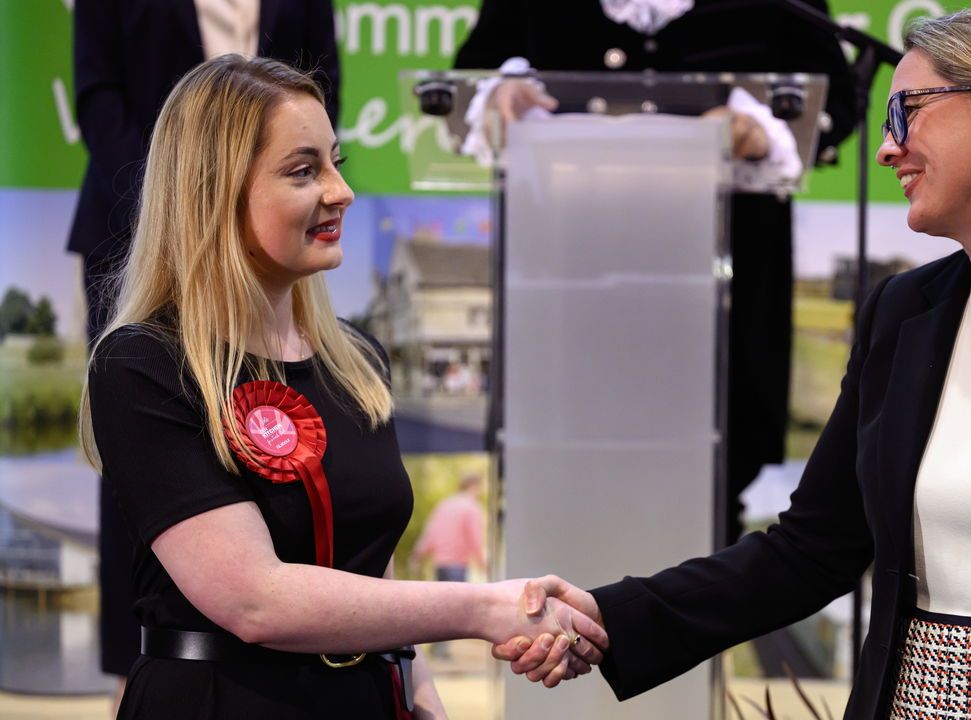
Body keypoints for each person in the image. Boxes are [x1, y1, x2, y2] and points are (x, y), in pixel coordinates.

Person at [493, 6, 971, 719]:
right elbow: (812, 548)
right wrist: (607, 616)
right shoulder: (904, 314)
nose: (886, 145)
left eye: (910, 111)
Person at [80, 55, 605, 719]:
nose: (341, 191)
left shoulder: (356, 359)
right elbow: (255, 601)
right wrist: (483, 608)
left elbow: (369, 564)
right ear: (212, 190)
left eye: (336, 162)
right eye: (304, 171)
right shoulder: (143, 366)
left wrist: (423, 700)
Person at [454, 0, 857, 547]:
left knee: (708, 518)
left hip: (724, 294)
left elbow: (835, 96)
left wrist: (757, 129)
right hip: (566, 282)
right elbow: (475, 75)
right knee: (561, 516)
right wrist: (499, 97)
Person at [69, 0, 341, 690]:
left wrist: (299, 175)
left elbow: (321, 86)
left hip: (270, 211)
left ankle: (319, 634)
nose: (344, 193)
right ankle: (143, 663)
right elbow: (97, 94)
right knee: (147, 447)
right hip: (137, 220)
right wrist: (187, 200)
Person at [412, 473, 488, 658]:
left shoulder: (444, 505)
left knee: (442, 607)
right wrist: (482, 563)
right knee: (452, 610)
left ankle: (439, 649)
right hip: (458, 563)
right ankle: (441, 650)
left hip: (441, 562)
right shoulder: (471, 508)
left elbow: (431, 532)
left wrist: (418, 554)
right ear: (474, 486)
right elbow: (475, 539)